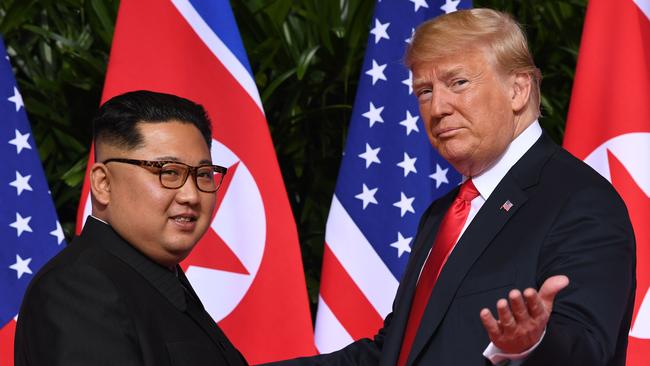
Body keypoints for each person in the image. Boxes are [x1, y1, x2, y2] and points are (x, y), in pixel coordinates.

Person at [272, 8, 635, 366]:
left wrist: (532, 343)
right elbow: (396, 353)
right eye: (424, 91)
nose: (437, 108)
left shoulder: (579, 200)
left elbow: (587, 349)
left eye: (458, 82)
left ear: (518, 89)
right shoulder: (443, 213)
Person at [14, 90, 248, 366]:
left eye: (204, 175)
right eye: (168, 172)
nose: (191, 196)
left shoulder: (156, 276)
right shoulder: (78, 289)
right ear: (103, 183)